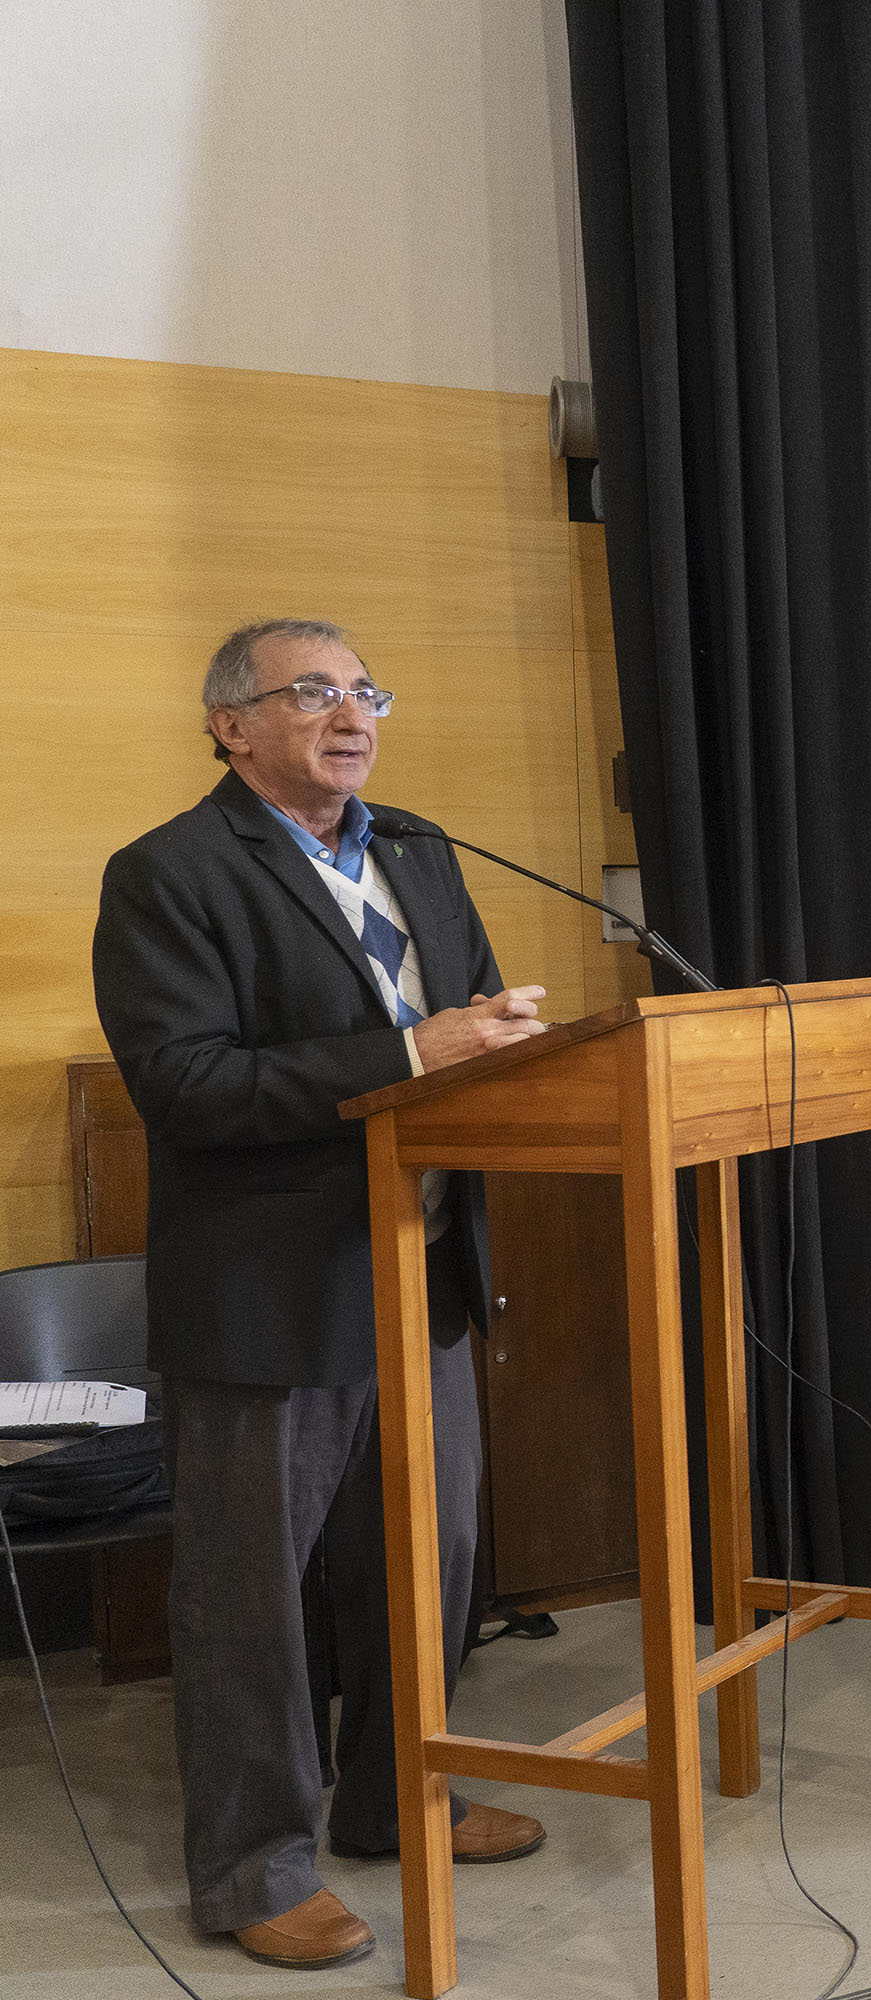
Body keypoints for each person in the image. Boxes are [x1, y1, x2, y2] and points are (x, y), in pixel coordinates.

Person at [92, 620, 556, 1971]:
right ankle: (254, 1866)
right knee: (251, 1597)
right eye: (312, 691)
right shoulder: (170, 872)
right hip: (271, 1294)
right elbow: (185, 1084)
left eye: (364, 692)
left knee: (431, 1564)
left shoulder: (417, 847)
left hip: (426, 1272)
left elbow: (472, 1018)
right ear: (231, 725)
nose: (351, 715)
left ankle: (398, 1804)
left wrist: (503, 1044)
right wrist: (412, 1054)